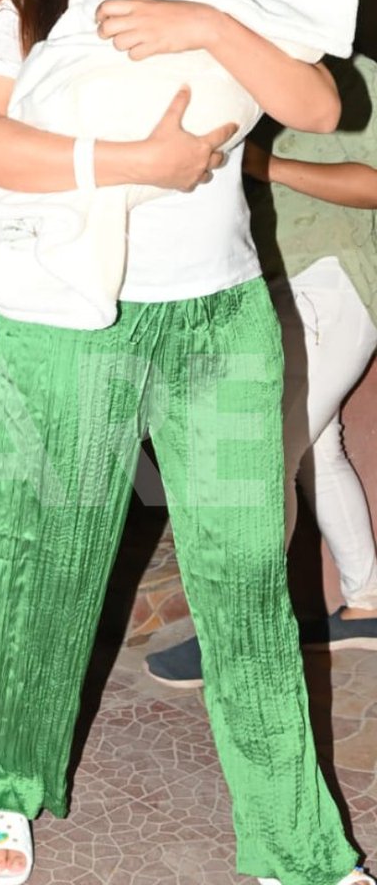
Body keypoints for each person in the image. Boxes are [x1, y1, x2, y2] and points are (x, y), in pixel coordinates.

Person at [0, 0, 373, 885]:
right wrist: (136, 158)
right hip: (69, 317)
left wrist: (210, 27)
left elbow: (323, 99)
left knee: (242, 580)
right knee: (39, 563)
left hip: (218, 317)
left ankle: (297, 850)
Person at [146, 53, 377, 687]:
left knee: (265, 450)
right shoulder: (255, 83)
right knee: (315, 450)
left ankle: (236, 634)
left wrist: (264, 164)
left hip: (334, 281)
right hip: (280, 284)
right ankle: (368, 603)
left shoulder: (359, 75)